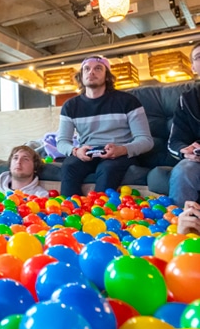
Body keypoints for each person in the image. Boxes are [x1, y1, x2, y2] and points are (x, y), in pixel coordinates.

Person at [57, 55, 153, 196]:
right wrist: (76, 151)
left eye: (98, 68)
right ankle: (69, 212)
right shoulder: (70, 106)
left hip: (119, 153)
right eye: (87, 69)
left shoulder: (128, 101)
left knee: (108, 168)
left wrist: (122, 150)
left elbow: (146, 140)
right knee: (69, 165)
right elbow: (62, 142)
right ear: (81, 76)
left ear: (107, 76)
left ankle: (102, 213)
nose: (91, 72)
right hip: (87, 153)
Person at [167, 41, 200, 206]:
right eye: (199, 57)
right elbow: (174, 141)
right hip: (198, 161)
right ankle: (181, 229)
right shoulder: (187, 100)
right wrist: (185, 152)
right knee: (183, 170)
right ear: (193, 67)